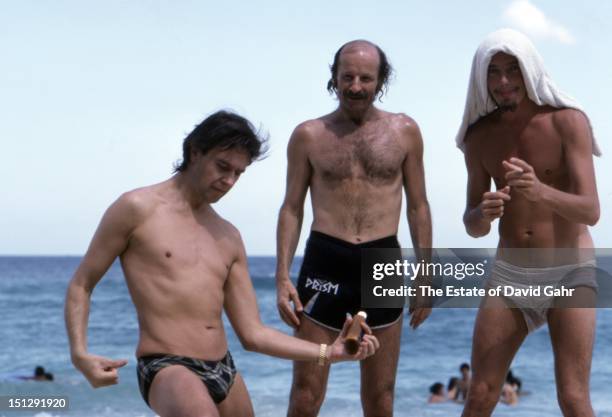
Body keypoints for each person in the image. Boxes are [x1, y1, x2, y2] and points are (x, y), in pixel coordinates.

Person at [64, 111, 379, 417]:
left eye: (238, 173)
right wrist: (80, 354)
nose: (228, 180)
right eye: (222, 166)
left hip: (224, 370)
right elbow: (82, 283)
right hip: (167, 366)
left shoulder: (228, 236)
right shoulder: (137, 209)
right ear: (195, 151)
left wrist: (329, 352)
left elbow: (253, 334)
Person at [276, 39, 432, 417]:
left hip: (383, 259)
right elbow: (292, 208)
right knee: (305, 394)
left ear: (381, 81)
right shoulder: (309, 135)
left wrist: (425, 274)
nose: (356, 86)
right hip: (326, 258)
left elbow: (418, 206)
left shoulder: (405, 131)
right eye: (347, 77)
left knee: (380, 398)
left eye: (366, 77)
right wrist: (282, 276)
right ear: (334, 78)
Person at [457, 29, 601, 417]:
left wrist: (540, 191)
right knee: (481, 393)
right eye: (494, 72)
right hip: (511, 274)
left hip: (571, 271)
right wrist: (481, 213)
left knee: (572, 398)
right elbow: (474, 225)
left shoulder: (568, 123)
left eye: (512, 70)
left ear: (530, 71)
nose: (503, 82)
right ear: (482, 78)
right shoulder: (478, 137)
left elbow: (591, 210)